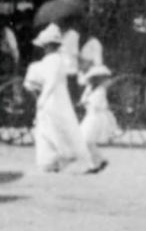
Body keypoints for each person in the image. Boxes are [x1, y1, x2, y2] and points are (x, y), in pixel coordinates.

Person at [23, 24, 94, 174]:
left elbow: (51, 81)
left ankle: (60, 158)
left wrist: (42, 98)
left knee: (54, 127)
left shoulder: (54, 60)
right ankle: (50, 160)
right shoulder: (54, 59)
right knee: (50, 127)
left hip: (53, 98)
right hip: (57, 96)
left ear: (49, 45)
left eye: (45, 46)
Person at [80, 64, 119, 166]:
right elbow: (83, 100)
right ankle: (98, 161)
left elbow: (96, 104)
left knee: (87, 140)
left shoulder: (100, 90)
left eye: (98, 79)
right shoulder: (89, 89)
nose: (95, 80)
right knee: (87, 141)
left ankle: (97, 162)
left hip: (96, 118)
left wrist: (87, 102)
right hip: (89, 117)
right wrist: (84, 102)